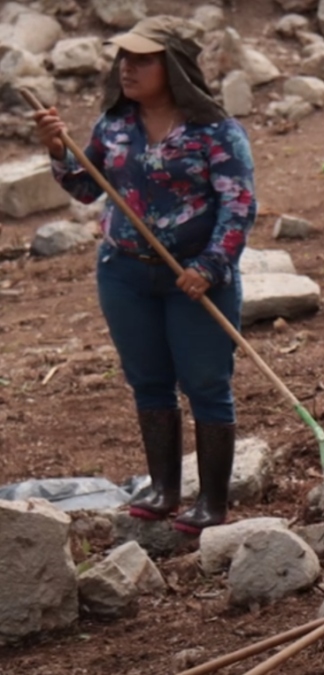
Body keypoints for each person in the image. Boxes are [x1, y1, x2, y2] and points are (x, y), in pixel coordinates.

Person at [33, 16, 257, 535]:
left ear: (173, 66)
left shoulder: (217, 133)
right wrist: (56, 149)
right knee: (149, 381)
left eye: (142, 59)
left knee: (205, 382)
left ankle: (213, 504)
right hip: (125, 274)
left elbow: (238, 206)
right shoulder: (114, 126)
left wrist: (209, 267)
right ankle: (163, 491)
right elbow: (88, 188)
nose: (127, 68)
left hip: (196, 279)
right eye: (123, 59)